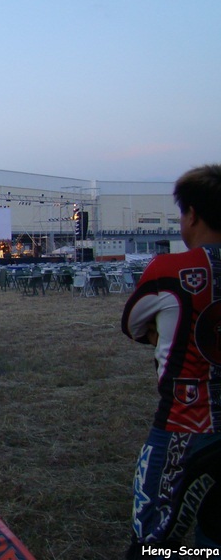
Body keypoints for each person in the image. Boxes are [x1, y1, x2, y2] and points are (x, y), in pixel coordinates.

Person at [121, 164, 221, 556]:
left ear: (192, 214)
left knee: (153, 538)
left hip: (184, 423)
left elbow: (132, 324)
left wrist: (165, 336)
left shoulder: (169, 269)